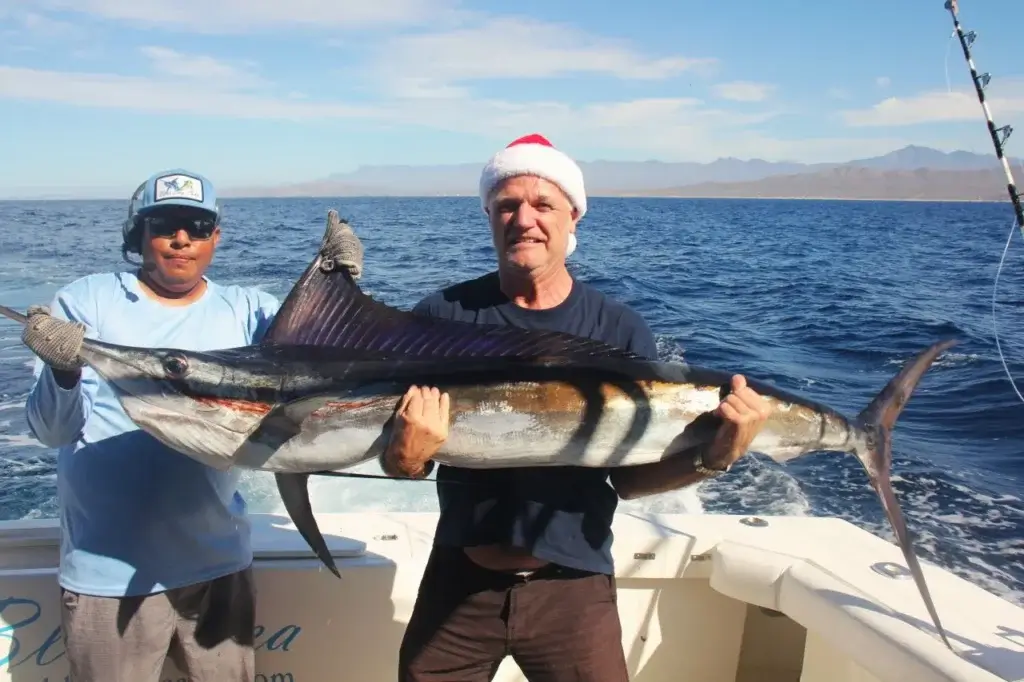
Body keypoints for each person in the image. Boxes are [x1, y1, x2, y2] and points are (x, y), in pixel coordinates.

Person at [382, 134, 774, 682]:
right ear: (489, 218)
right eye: (507, 205)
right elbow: (401, 455)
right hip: (459, 579)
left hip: (574, 586)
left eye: (543, 205)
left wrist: (717, 456)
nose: (524, 219)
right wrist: (405, 459)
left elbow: (631, 483)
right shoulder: (442, 314)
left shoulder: (616, 329)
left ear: (573, 220)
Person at [19, 169, 363, 682]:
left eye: (198, 226)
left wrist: (340, 286)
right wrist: (63, 371)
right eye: (166, 225)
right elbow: (52, 433)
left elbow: (325, 362)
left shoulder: (248, 310)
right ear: (139, 233)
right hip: (106, 572)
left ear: (216, 238)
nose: (182, 239)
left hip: (217, 566)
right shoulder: (87, 301)